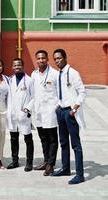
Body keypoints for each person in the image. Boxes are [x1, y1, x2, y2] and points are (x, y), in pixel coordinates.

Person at [52, 48, 86, 184]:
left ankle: (80, 174)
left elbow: (82, 92)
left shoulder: (73, 73)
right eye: (55, 59)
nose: (57, 61)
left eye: (59, 58)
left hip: (70, 112)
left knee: (75, 144)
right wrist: (57, 107)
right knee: (63, 142)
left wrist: (75, 108)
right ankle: (65, 168)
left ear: (65, 58)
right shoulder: (58, 74)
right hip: (61, 111)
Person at [31, 50, 59, 176]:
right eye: (39, 58)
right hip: (38, 112)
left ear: (47, 59)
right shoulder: (34, 74)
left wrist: (56, 107)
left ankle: (51, 164)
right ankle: (46, 160)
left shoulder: (54, 74)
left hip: (50, 111)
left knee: (52, 138)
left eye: (43, 58)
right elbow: (32, 93)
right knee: (43, 138)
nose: (41, 60)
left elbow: (60, 93)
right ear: (36, 60)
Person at [6, 58, 34, 172]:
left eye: (19, 65)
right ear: (12, 67)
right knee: (13, 138)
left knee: (28, 138)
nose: (17, 67)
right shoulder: (10, 80)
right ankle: (15, 160)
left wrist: (27, 109)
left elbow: (34, 97)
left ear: (23, 66)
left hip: (24, 114)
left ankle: (29, 162)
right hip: (13, 114)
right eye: (14, 65)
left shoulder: (29, 80)